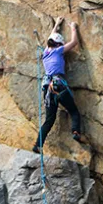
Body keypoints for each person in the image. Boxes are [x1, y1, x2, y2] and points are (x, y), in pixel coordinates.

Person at [33, 17, 82, 153]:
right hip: (58, 85)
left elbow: (50, 38)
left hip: (47, 89)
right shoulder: (58, 50)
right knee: (73, 111)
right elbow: (74, 42)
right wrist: (73, 28)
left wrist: (57, 25)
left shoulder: (45, 52)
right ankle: (76, 132)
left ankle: (37, 145)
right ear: (59, 44)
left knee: (49, 120)